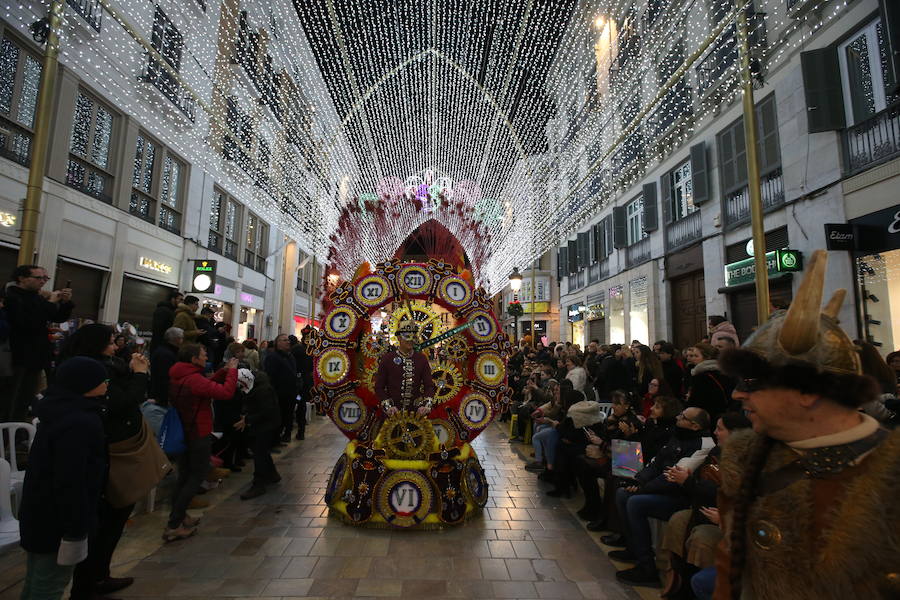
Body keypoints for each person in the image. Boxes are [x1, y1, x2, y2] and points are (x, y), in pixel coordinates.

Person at [713, 252, 900, 599]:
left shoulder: (891, 475)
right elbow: (732, 573)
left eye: (751, 382)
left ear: (804, 392)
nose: (738, 395)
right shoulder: (746, 462)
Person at [62, 324, 154, 599]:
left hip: (112, 447)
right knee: (106, 519)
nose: (116, 346)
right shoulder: (90, 373)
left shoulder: (106, 367)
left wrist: (132, 369)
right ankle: (88, 582)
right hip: (110, 450)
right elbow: (124, 401)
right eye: (112, 342)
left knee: (113, 518)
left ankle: (98, 575)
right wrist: (139, 375)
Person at [18, 358, 108, 600]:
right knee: (49, 584)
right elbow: (72, 480)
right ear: (85, 384)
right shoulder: (80, 422)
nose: (107, 383)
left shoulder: (56, 412)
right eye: (102, 379)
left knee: (36, 580)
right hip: (59, 520)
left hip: (40, 512)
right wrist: (77, 527)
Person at [609, 407, 712, 587]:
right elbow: (656, 463)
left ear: (694, 426)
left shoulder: (703, 444)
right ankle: (632, 547)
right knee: (622, 492)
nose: (677, 417)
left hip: (678, 496)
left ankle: (646, 567)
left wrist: (643, 489)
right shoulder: (677, 435)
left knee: (635, 502)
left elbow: (672, 476)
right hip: (658, 487)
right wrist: (639, 481)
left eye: (682, 416)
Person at [657, 411, 751, 598]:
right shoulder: (716, 452)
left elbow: (731, 495)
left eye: (720, 429)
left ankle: (694, 586)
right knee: (678, 520)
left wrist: (724, 517)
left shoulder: (746, 461)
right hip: (703, 507)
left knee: (701, 537)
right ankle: (676, 574)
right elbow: (702, 482)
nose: (715, 432)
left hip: (729, 521)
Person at [165, 344, 238, 542]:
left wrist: (222, 371)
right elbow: (225, 393)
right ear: (193, 359)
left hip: (184, 432)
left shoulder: (179, 376)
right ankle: (174, 525)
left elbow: (204, 387)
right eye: (203, 355)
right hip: (198, 432)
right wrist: (231, 372)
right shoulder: (193, 379)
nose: (206, 357)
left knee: (184, 477)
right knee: (196, 477)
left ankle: (179, 517)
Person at [4, 265, 74, 422]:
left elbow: (56, 317)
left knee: (26, 398)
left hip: (36, 356)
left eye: (45, 278)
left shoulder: (37, 297)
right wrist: (50, 302)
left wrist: (65, 303)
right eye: (39, 278)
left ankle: (18, 433)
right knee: (10, 398)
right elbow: (28, 323)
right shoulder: (12, 297)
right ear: (21, 278)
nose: (43, 282)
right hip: (17, 355)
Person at [235, 369, 282, 500]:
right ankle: (272, 474)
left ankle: (258, 484)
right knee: (260, 450)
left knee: (259, 453)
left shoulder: (263, 390)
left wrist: (248, 419)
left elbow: (266, 411)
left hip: (267, 425)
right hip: (262, 423)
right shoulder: (256, 385)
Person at [374, 320, 436, 417]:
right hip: (392, 414)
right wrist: (388, 406)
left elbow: (429, 386)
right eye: (407, 336)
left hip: (416, 414)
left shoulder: (421, 359)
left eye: (414, 337)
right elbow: (379, 387)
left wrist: (426, 405)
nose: (410, 340)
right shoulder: (387, 359)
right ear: (398, 338)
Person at [685, 343, 734, 424]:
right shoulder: (724, 371)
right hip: (722, 415)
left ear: (707, 358)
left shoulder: (702, 376)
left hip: (706, 417)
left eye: (696, 356)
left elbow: (697, 401)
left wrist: (690, 398)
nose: (692, 359)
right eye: (692, 355)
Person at [264, 334, 299, 443]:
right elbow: (270, 375)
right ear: (278, 343)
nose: (288, 342)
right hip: (279, 393)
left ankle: (284, 435)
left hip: (290, 393)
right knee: (278, 417)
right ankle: (274, 439)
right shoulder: (273, 357)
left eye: (288, 340)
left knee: (288, 416)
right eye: (284, 340)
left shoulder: (290, 356)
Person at [291, 328, 314, 440]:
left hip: (300, 383)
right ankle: (300, 428)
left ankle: (298, 429)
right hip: (301, 382)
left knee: (298, 403)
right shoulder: (310, 350)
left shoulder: (298, 349)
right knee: (300, 404)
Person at [150, 327, 183, 405]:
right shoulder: (166, 354)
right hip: (162, 396)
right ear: (176, 339)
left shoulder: (165, 351)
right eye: (181, 338)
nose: (182, 341)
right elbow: (163, 377)